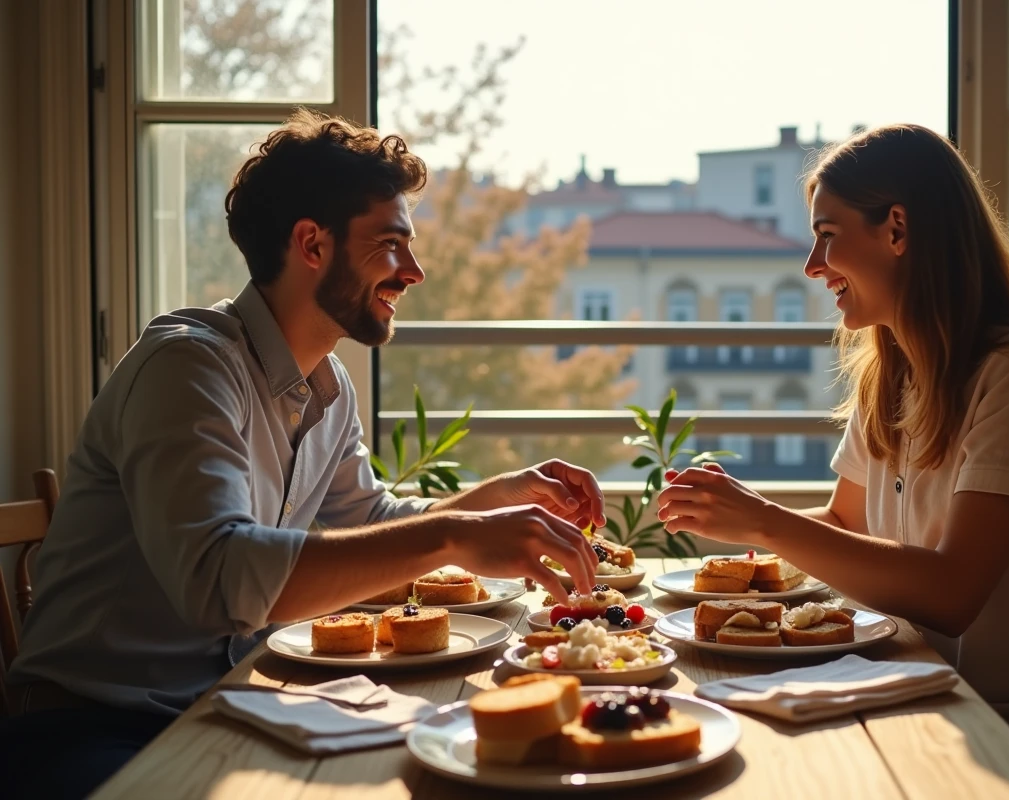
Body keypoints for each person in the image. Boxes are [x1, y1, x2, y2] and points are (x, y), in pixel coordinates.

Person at [0, 109, 601, 797]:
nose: (415, 271)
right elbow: (222, 582)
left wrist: (497, 502)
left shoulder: (326, 384)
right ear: (312, 244)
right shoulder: (188, 369)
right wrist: (455, 535)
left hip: (231, 705)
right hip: (93, 730)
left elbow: (366, 528)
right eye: (391, 244)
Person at [656, 124, 1009, 800]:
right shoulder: (891, 375)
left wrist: (765, 523)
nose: (811, 264)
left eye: (827, 235)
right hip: (931, 700)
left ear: (896, 229)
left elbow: (951, 594)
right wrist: (723, 541)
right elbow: (843, 524)